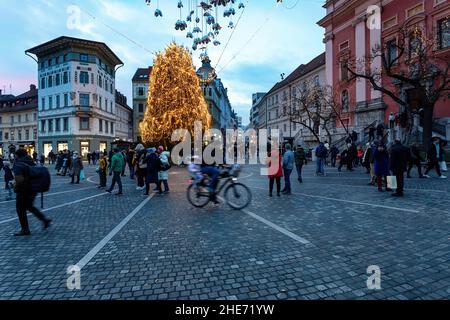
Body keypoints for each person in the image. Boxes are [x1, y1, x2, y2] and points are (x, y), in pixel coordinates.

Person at [12, 149, 51, 236]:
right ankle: (44, 219)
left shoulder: (18, 164)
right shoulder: (31, 161)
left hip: (23, 190)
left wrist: (15, 187)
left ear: (17, 156)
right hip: (33, 188)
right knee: (29, 206)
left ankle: (25, 229)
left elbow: (19, 179)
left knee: (20, 209)